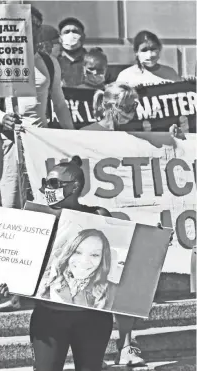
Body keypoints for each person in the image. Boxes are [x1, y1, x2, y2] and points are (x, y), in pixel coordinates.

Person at [78, 81, 184, 366]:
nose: (133, 110)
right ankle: (95, 351)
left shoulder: (137, 136)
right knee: (95, 287)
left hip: (130, 221)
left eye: (136, 105)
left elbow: (161, 162)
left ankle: (126, 345)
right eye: (128, 105)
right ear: (110, 106)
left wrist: (175, 140)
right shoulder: (84, 135)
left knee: (128, 286)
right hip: (98, 219)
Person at [0, 6, 74, 209]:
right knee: (12, 203)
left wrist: (72, 137)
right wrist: (3, 118)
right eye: (21, 24)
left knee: (47, 200)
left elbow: (59, 104)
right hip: (13, 142)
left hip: (42, 142)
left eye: (33, 25)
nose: (27, 29)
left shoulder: (50, 63)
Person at [29, 156, 115, 371]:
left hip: (92, 318)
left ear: (75, 186)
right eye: (45, 183)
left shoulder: (98, 216)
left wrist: (157, 241)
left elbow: (125, 254)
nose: (47, 189)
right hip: (49, 315)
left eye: (53, 183)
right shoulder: (34, 218)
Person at [116, 30, 188, 133]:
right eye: (144, 50)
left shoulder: (170, 73)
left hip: (168, 131)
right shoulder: (126, 76)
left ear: (159, 49)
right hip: (139, 134)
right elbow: (118, 106)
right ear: (136, 52)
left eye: (153, 49)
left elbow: (181, 100)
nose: (149, 54)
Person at [38, 228, 114, 310]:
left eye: (94, 255)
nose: (84, 261)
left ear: (102, 259)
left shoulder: (110, 291)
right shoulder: (49, 276)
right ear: (69, 253)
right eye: (78, 252)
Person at [57, 17, 88, 87]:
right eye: (66, 32)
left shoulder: (93, 62)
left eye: (75, 31)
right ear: (60, 38)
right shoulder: (53, 62)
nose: (71, 35)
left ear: (83, 37)